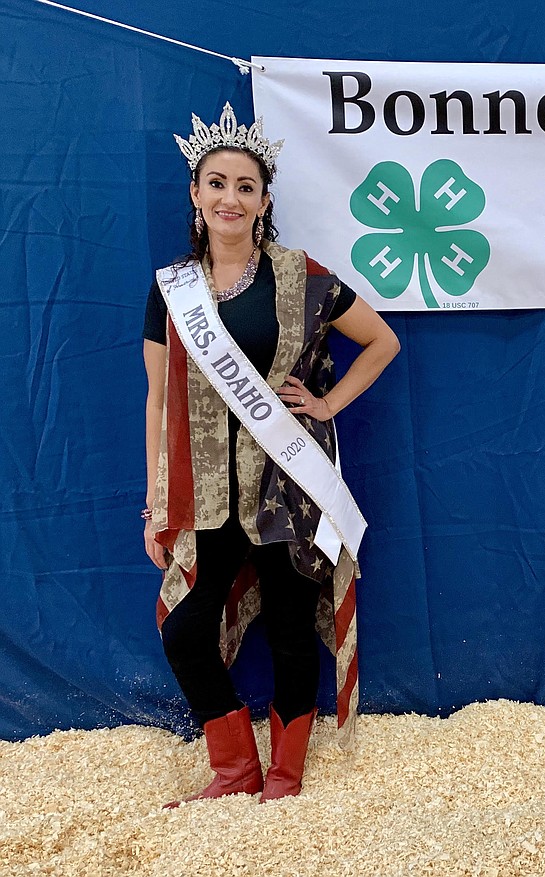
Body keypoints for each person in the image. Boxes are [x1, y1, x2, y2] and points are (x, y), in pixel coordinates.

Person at [142, 103, 399, 807]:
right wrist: (157, 501)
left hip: (287, 486)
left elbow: (382, 342)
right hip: (210, 495)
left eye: (246, 186)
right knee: (187, 633)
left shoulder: (301, 275)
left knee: (291, 631)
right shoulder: (172, 291)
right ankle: (235, 771)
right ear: (196, 194)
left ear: (264, 201)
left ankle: (284, 777)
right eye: (216, 183)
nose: (231, 197)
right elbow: (158, 402)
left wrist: (326, 404)